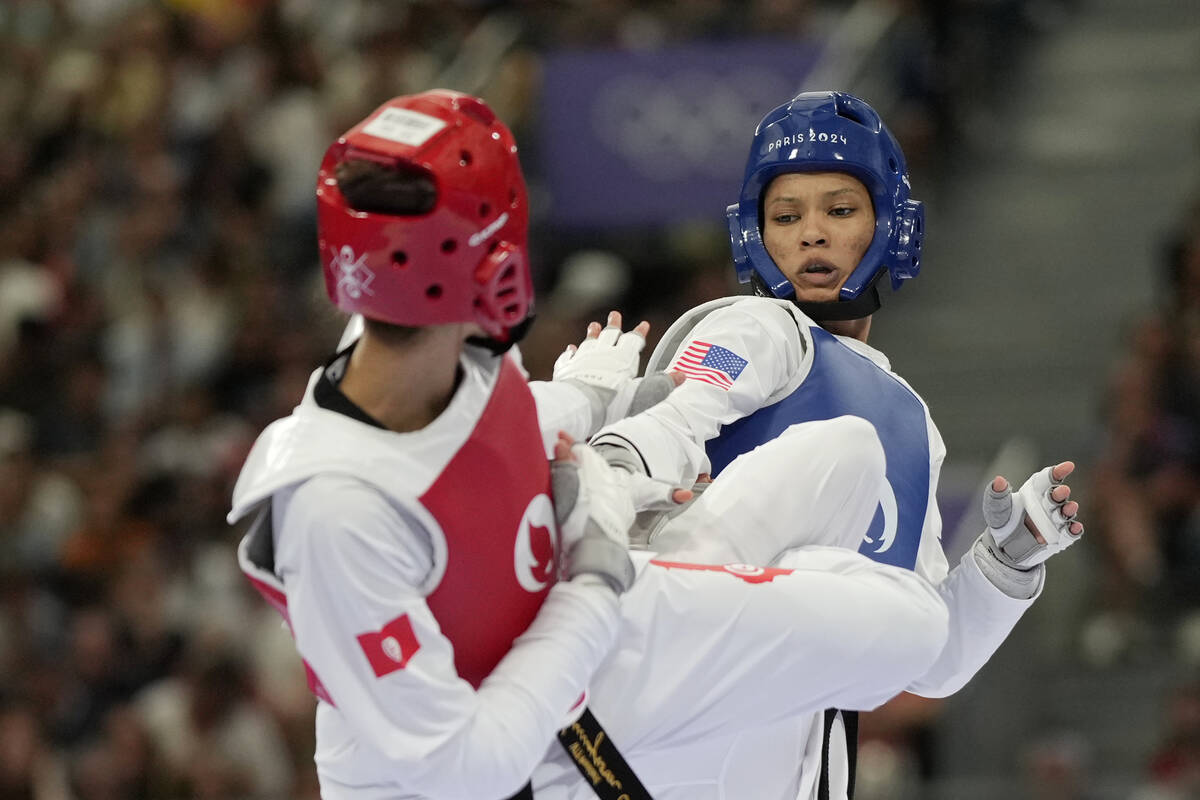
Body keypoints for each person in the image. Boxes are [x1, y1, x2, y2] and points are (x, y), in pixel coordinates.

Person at [227, 90, 957, 800]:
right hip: (511, 741)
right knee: (910, 627)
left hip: (579, 644)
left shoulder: (443, 340)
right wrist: (593, 587)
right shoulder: (333, 510)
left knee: (850, 465)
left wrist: (586, 397)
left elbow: (477, 437)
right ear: (486, 260)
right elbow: (466, 766)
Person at [588, 90, 1087, 797]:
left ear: (890, 227)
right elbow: (677, 412)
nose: (811, 235)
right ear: (754, 236)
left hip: (797, 759)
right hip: (679, 718)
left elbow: (929, 661)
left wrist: (1005, 564)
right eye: (786, 216)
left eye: (840, 211)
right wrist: (605, 476)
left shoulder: (911, 421)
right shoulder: (754, 330)